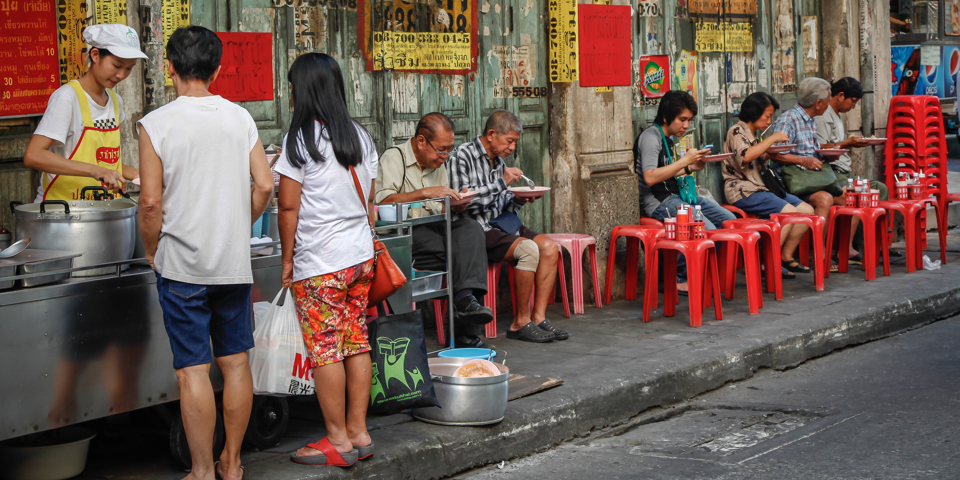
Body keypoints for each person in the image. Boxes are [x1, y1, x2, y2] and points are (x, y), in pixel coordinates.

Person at [138, 26, 273, 480]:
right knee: (235, 363)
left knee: (192, 371)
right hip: (232, 264)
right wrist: (239, 221)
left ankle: (200, 472)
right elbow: (266, 184)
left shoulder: (155, 124)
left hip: (182, 266)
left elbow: (150, 202)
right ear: (217, 69)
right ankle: (231, 464)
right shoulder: (240, 118)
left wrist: (151, 249)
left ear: (168, 66)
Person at [275, 53, 378, 467]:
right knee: (355, 340)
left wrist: (287, 260)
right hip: (360, 259)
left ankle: (337, 439)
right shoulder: (359, 136)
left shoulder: (300, 139)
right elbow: (369, 202)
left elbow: (287, 209)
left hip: (320, 263)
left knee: (325, 350)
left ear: (301, 91)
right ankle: (360, 432)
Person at [375, 112, 494, 348]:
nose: (445, 156)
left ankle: (464, 302)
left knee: (471, 229)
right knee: (464, 253)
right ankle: (466, 328)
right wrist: (425, 193)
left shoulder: (438, 163)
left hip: (434, 228)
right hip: (404, 235)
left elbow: (439, 205)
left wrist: (457, 201)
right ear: (421, 141)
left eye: (449, 150)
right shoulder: (394, 158)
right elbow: (382, 203)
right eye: (441, 149)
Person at [448, 110, 567, 343]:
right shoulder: (461, 157)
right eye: (509, 141)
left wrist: (518, 199)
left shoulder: (499, 162)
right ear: (491, 134)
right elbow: (462, 202)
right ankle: (520, 322)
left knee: (550, 248)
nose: (512, 148)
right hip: (476, 229)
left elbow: (501, 204)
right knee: (528, 250)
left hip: (500, 224)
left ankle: (539, 317)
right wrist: (501, 182)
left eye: (515, 142)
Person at [24, 24, 146, 202]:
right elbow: (33, 155)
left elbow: (104, 162)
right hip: (60, 211)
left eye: (129, 68)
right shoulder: (67, 97)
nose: (121, 75)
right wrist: (95, 171)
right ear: (95, 55)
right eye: (117, 65)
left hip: (98, 212)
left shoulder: (115, 101)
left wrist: (135, 174)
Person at [635, 90, 736, 293]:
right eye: (682, 119)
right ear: (666, 116)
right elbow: (650, 177)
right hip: (658, 201)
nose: (686, 125)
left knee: (728, 220)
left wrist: (690, 167)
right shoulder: (651, 137)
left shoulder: (667, 138)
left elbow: (667, 172)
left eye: (689, 120)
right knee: (704, 228)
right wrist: (684, 161)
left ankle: (708, 273)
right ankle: (682, 278)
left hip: (675, 196)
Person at [722, 92, 817, 279]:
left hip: (763, 187)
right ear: (754, 113)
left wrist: (772, 151)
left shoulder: (754, 135)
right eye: (767, 116)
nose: (769, 121)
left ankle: (785, 255)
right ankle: (768, 263)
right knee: (788, 212)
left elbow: (758, 157)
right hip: (743, 190)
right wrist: (772, 140)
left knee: (807, 210)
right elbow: (746, 156)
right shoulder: (736, 131)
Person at [816, 77, 900, 263]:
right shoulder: (823, 115)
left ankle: (877, 242)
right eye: (852, 102)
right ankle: (853, 246)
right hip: (833, 171)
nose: (853, 107)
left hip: (845, 170)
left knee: (881, 189)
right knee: (864, 193)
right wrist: (848, 143)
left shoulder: (836, 115)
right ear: (840, 96)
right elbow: (822, 147)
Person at [770, 77, 848, 271]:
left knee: (847, 197)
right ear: (818, 103)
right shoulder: (789, 119)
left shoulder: (811, 120)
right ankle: (820, 255)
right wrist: (802, 160)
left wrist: (829, 155)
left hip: (812, 177)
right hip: (793, 180)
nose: (830, 103)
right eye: (828, 99)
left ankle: (846, 250)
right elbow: (774, 153)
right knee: (824, 200)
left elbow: (811, 151)